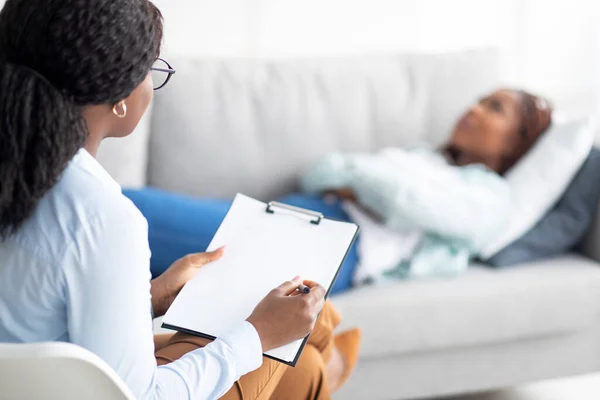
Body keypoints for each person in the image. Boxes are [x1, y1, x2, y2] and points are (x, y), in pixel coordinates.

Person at [0, 1, 360, 399]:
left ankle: (325, 365)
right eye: (153, 70)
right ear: (120, 96)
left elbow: (36, 314)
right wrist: (259, 335)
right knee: (301, 333)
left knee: (301, 366)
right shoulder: (102, 217)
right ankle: (331, 364)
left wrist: (150, 297)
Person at [124, 89, 553, 295]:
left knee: (129, 211)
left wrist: (358, 180)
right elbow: (319, 172)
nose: (474, 109)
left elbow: (404, 203)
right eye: (479, 100)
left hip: (338, 242)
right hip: (301, 210)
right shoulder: (423, 158)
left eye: (494, 108)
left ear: (517, 142)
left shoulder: (490, 196)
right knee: (131, 244)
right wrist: (369, 187)